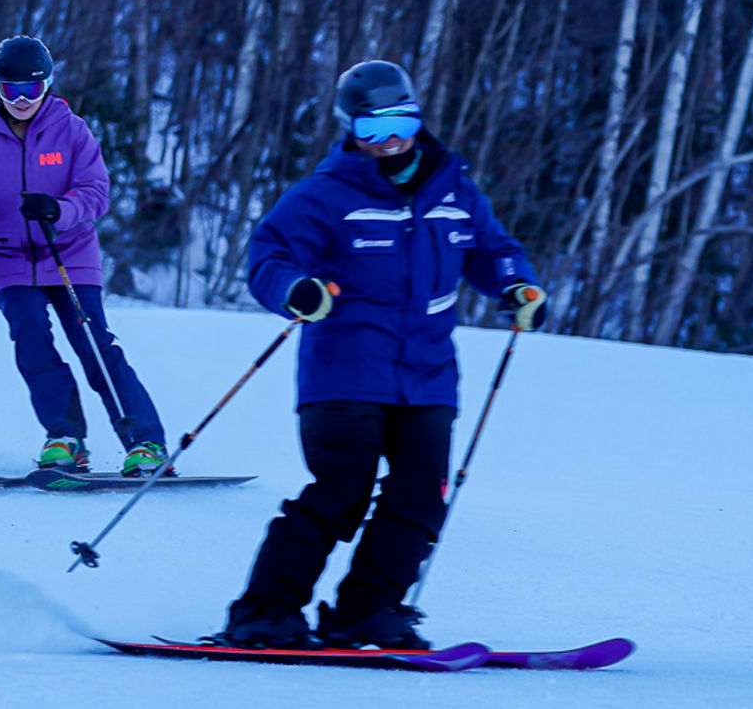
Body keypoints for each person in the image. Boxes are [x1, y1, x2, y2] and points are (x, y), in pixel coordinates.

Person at [216, 60, 546, 651]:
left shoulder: (456, 194)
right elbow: (270, 256)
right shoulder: (324, 196)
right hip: (343, 373)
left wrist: (517, 285)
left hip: (428, 377)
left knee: (421, 496)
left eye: (401, 120)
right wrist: (296, 290)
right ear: (349, 129)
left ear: (418, 118)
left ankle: (366, 611)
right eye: (371, 127)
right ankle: (264, 612)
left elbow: (496, 252)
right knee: (341, 490)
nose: (389, 137)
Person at [0, 36, 170, 475]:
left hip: (69, 252)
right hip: (6, 259)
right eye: (11, 89)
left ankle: (145, 443)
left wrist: (59, 211)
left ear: (47, 86)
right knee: (31, 339)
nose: (22, 99)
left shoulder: (72, 130)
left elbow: (96, 192)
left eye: (32, 89)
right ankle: (65, 437)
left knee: (94, 343)